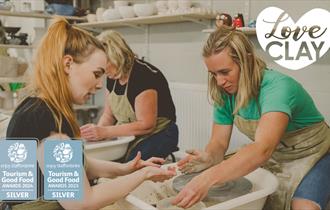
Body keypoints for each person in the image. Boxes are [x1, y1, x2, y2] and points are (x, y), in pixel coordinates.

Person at [5, 17, 176, 210]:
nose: (100, 84)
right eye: (96, 74)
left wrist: (124, 169)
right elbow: (81, 202)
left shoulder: (34, 105)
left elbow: (78, 163)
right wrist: (143, 175)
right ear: (68, 64)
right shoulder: (47, 119)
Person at [172, 26, 330, 210]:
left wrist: (207, 177)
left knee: (302, 206)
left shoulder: (278, 88)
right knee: (245, 196)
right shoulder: (225, 92)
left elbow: (262, 148)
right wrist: (209, 157)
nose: (219, 81)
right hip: (274, 155)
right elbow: (219, 143)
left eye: (224, 72)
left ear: (246, 61)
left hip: (316, 154)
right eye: (213, 74)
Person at [80, 30, 179, 162]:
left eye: (105, 64)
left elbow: (146, 125)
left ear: (117, 56)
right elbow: (108, 116)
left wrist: (105, 132)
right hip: (129, 131)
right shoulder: (112, 75)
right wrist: (96, 135)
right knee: (97, 160)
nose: (103, 71)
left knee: (129, 164)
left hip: (160, 133)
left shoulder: (143, 75)